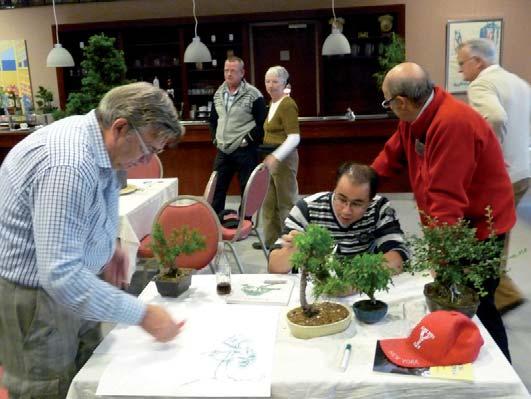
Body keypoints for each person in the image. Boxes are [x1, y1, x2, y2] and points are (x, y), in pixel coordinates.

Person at [0, 82, 186, 398]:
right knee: (46, 388)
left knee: (85, 376)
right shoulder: (67, 164)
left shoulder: (101, 146)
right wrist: (142, 314)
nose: (146, 161)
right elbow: (60, 276)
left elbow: (90, 205)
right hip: (37, 298)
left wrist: (108, 244)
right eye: (148, 149)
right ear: (121, 127)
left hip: (73, 285)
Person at [371, 62, 516, 361]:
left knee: (478, 304)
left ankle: (503, 378)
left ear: (401, 102)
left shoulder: (451, 123)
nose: (389, 108)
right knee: (453, 299)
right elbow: (390, 156)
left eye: (387, 103)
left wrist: (440, 259)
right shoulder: (415, 116)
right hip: (456, 225)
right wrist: (362, 186)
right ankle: (455, 350)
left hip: (480, 228)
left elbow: (447, 201)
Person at [457, 38, 531, 313]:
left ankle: (494, 294)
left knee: (485, 234)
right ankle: (505, 290)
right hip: (524, 171)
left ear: (478, 61)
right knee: (500, 231)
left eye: (462, 64)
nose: (461, 72)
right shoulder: (519, 83)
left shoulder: (481, 84)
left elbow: (496, 118)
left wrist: (489, 155)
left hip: (503, 175)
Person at [268, 162, 408, 274]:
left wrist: (354, 280)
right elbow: (274, 267)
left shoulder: (379, 208)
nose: (346, 211)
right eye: (341, 199)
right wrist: (294, 250)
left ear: (370, 201)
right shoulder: (307, 208)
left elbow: (397, 258)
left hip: (360, 290)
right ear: (334, 189)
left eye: (357, 203)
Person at [209, 56, 267, 215]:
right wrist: (215, 138)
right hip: (223, 150)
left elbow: (263, 123)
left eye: (233, 71)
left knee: (246, 188)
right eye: (226, 70)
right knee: (217, 188)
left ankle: (245, 222)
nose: (229, 74)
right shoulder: (218, 94)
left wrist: (246, 140)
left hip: (245, 150)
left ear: (242, 73)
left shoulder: (254, 94)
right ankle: (216, 221)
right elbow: (213, 120)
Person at [254, 65, 300, 251]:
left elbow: (294, 137)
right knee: (269, 202)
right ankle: (271, 242)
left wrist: (276, 157)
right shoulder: (272, 103)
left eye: (275, 81)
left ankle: (290, 244)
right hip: (269, 159)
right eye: (267, 81)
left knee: (286, 203)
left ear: (284, 84)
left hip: (284, 160)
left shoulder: (287, 104)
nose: (271, 85)